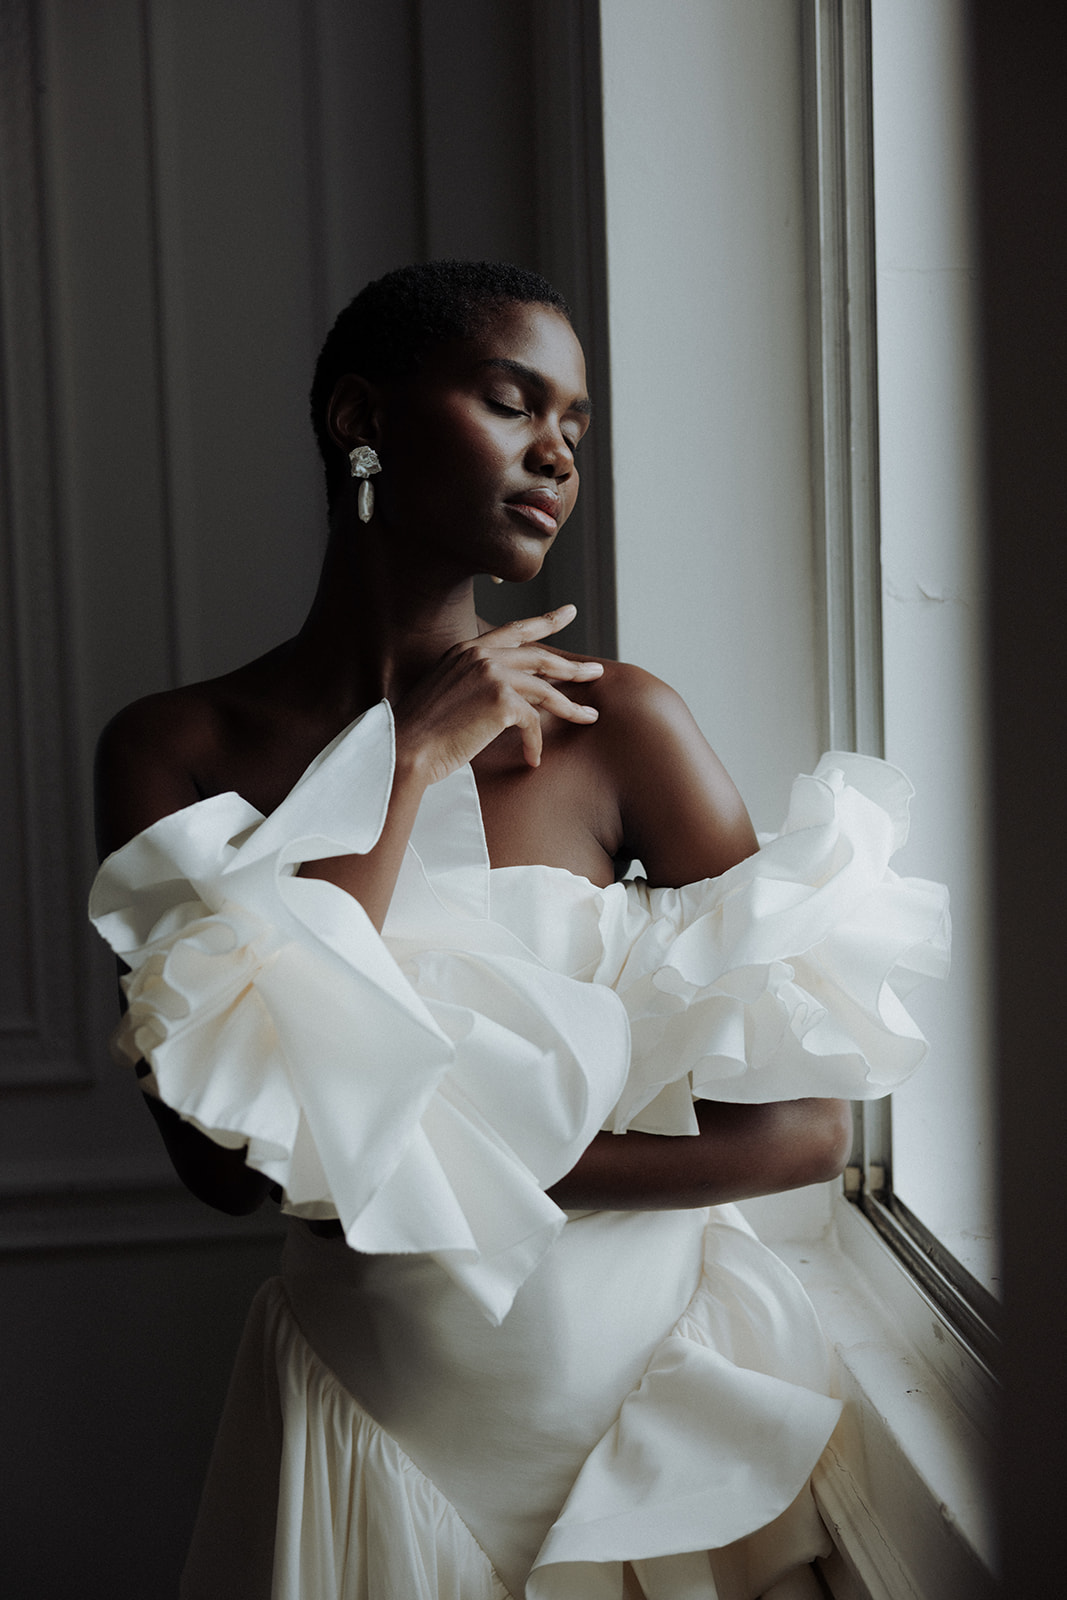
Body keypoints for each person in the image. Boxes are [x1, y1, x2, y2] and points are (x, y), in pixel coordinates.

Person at [90, 261, 949, 1600]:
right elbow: (231, 1170)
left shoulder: (625, 728)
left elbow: (805, 1131)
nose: (556, 451)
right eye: (512, 402)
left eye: (578, 426)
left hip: (650, 1437)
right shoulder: (177, 748)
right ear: (358, 418)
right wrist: (413, 757)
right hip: (374, 1437)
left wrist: (402, 1174)